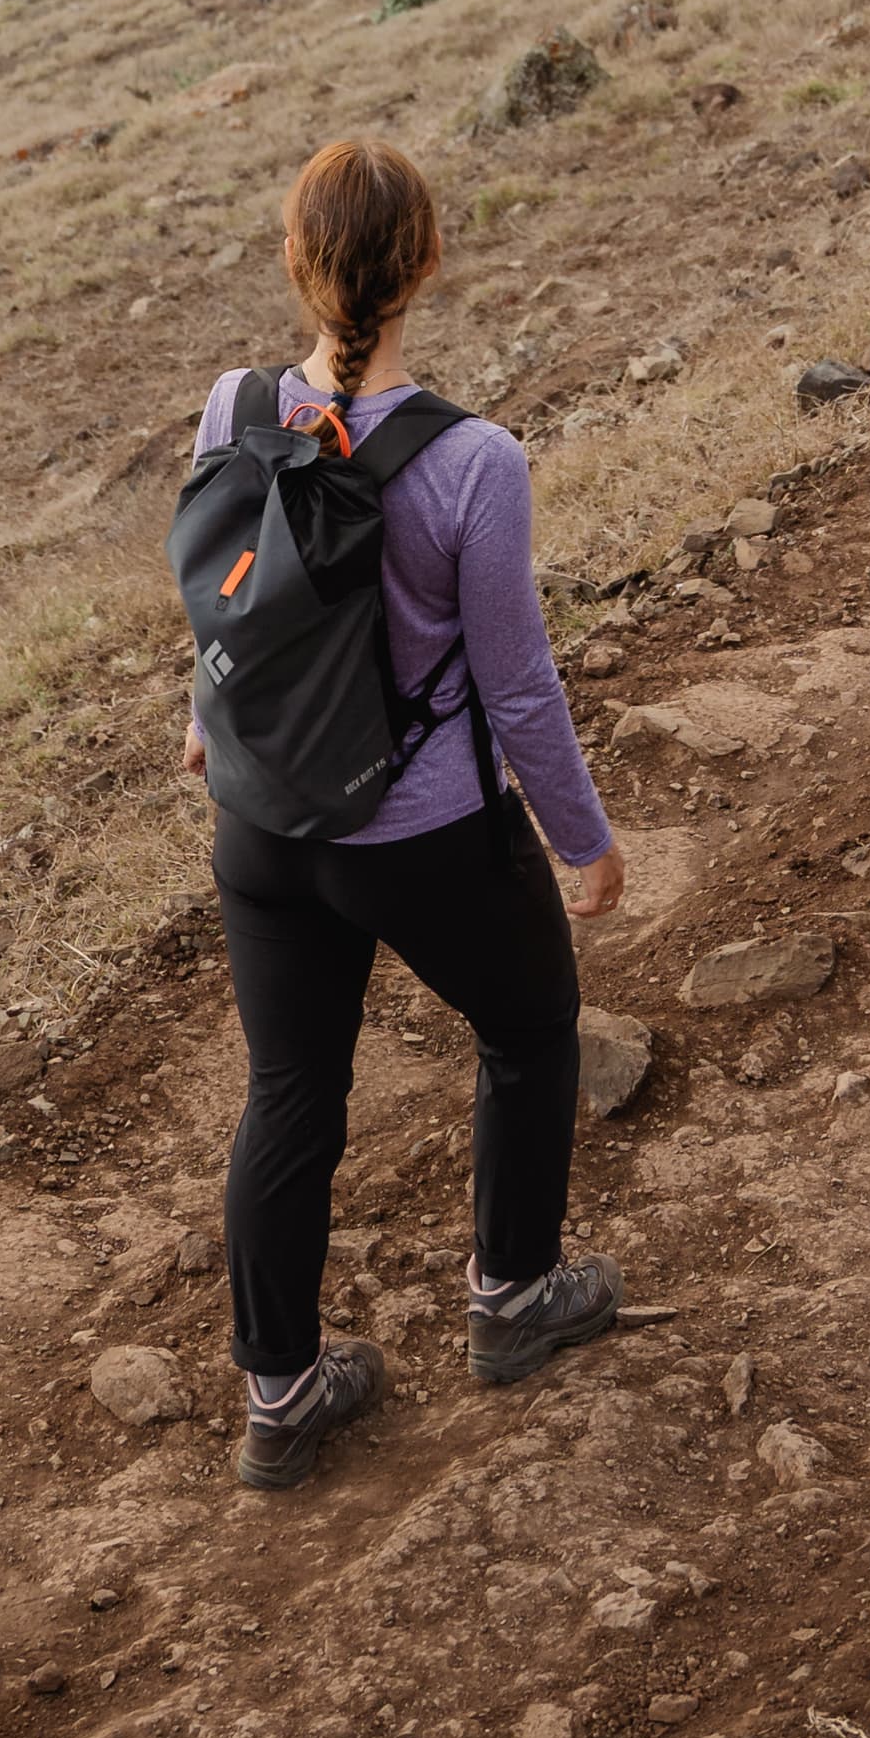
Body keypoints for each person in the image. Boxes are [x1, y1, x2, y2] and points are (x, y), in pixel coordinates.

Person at [186, 132, 627, 1494]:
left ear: (298, 262)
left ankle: (281, 1395)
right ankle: (511, 1297)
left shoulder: (234, 406)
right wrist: (581, 837)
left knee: (293, 1095)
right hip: (419, 837)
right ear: (427, 262)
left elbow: (221, 601)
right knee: (532, 1027)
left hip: (263, 835)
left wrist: (205, 734)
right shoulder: (476, 461)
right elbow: (516, 682)